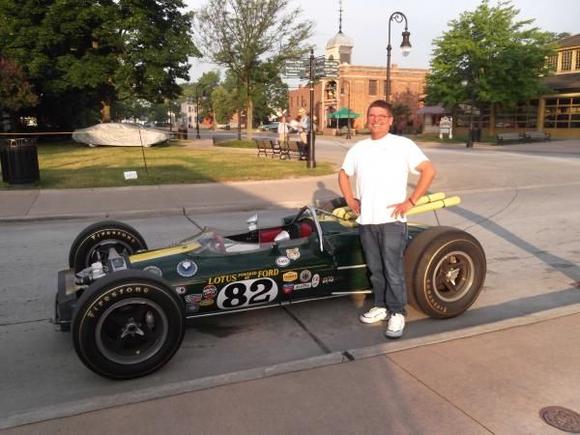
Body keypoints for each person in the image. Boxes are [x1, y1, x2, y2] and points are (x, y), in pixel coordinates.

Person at [338, 100, 436, 338]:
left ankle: (397, 312)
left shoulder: (403, 145)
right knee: (375, 269)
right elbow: (343, 173)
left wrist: (410, 201)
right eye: (372, 115)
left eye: (382, 116)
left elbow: (428, 170)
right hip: (367, 220)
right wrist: (350, 200)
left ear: (390, 120)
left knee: (393, 270)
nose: (376, 119)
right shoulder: (359, 148)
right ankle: (381, 306)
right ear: (367, 118)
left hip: (392, 221)